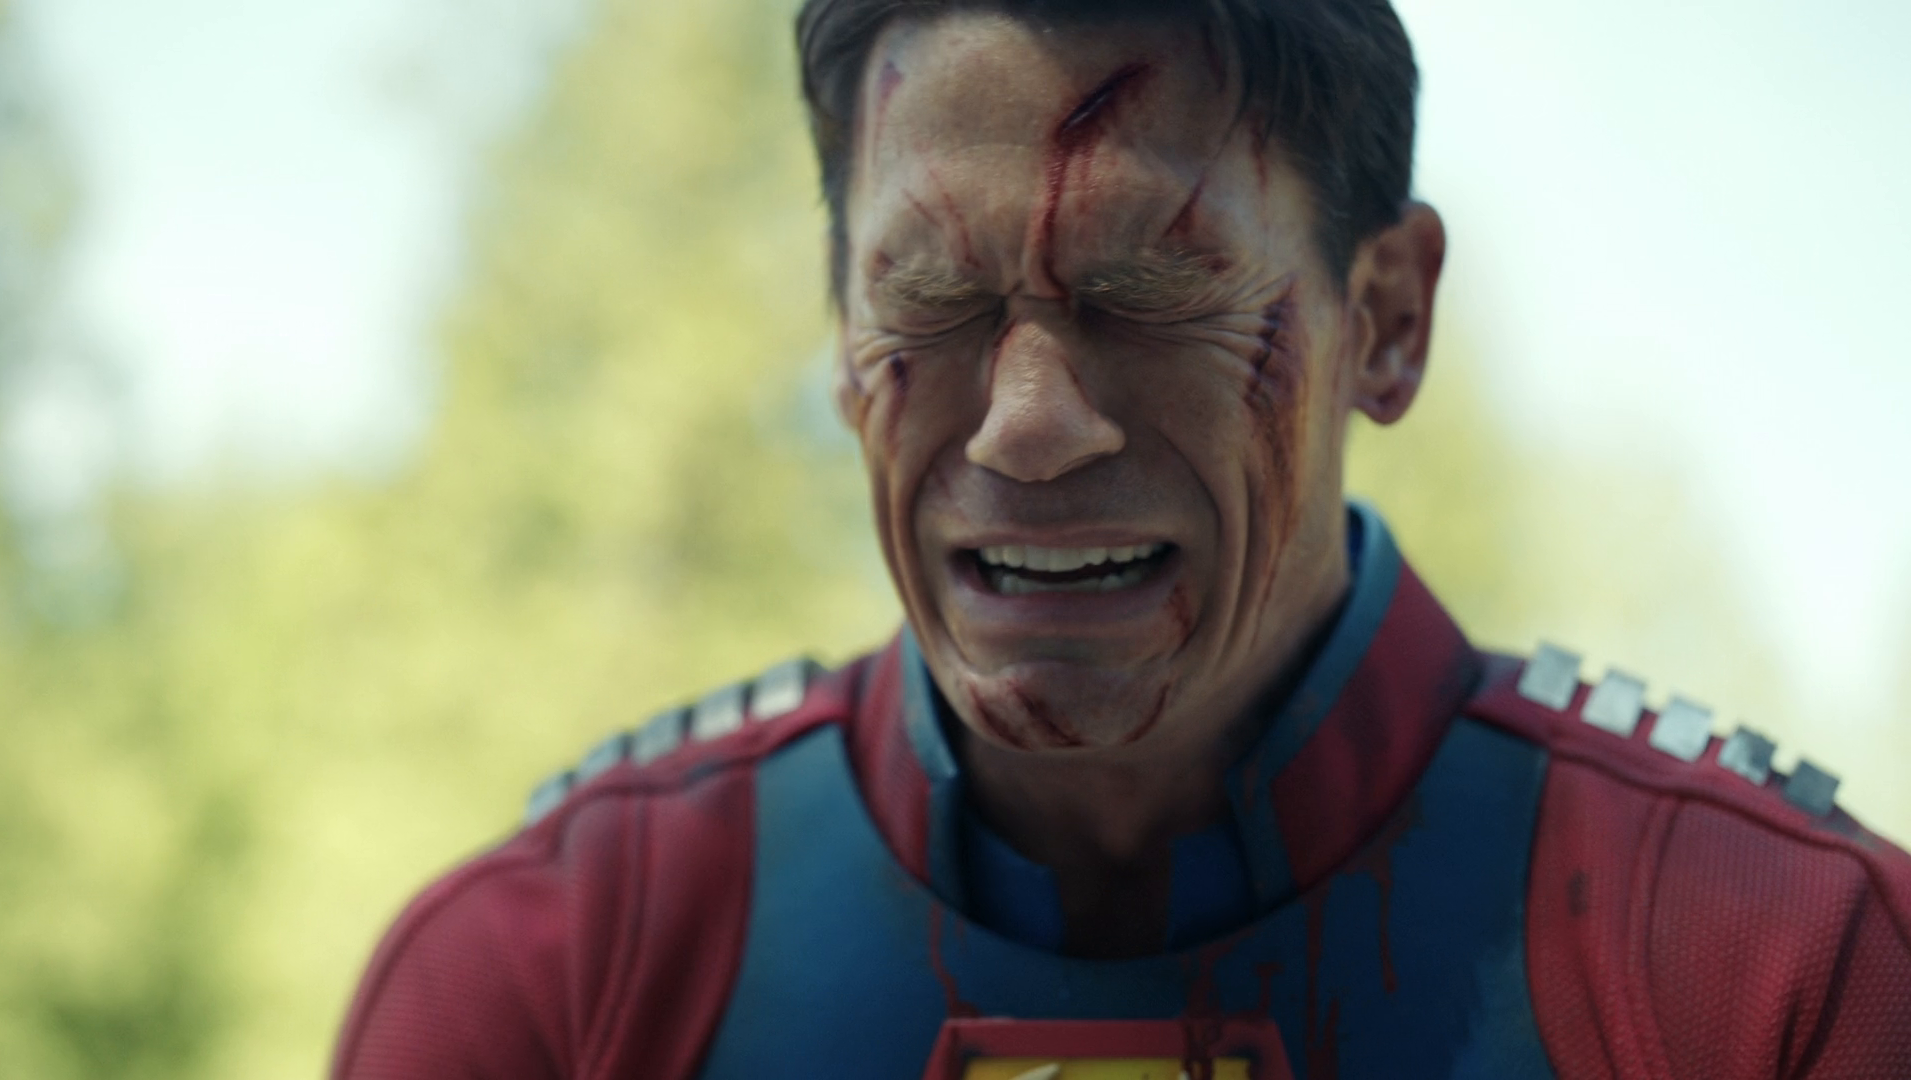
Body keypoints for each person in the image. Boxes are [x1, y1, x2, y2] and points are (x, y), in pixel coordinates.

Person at [331, 1, 1911, 1076]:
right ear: (836, 325)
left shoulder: (1776, 975)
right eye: (930, 300)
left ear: (1388, 320)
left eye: (1152, 291)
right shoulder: (554, 979)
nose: (1028, 424)